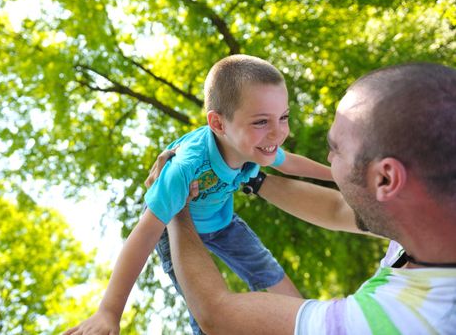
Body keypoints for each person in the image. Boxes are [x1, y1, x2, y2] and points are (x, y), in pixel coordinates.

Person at [159, 62, 456, 334]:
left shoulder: (394, 320)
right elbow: (336, 207)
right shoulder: (425, 219)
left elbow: (217, 315)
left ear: (386, 179)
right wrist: (253, 176)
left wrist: (177, 209)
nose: (328, 159)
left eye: (336, 150)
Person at [64, 55, 333, 335]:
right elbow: (143, 235)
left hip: (221, 222)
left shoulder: (258, 146)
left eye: (284, 117)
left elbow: (290, 162)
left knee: (266, 267)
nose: (278, 133)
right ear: (218, 124)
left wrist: (336, 175)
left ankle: (307, 327)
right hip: (174, 230)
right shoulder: (185, 167)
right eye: (261, 122)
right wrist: (109, 312)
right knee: (203, 310)